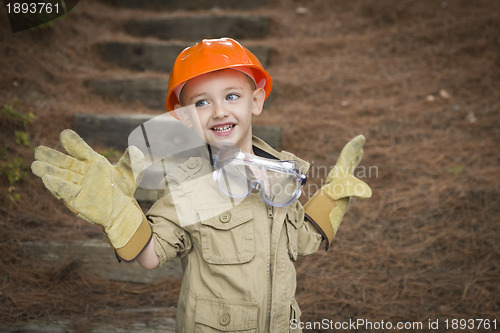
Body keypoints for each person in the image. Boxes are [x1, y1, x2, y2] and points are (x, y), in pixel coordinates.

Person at [31, 37, 371, 332]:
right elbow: (151, 256)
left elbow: (300, 241)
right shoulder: (188, 184)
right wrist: (116, 212)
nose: (219, 111)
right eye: (202, 103)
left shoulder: (280, 173)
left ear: (256, 101)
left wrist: (334, 195)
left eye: (233, 96)